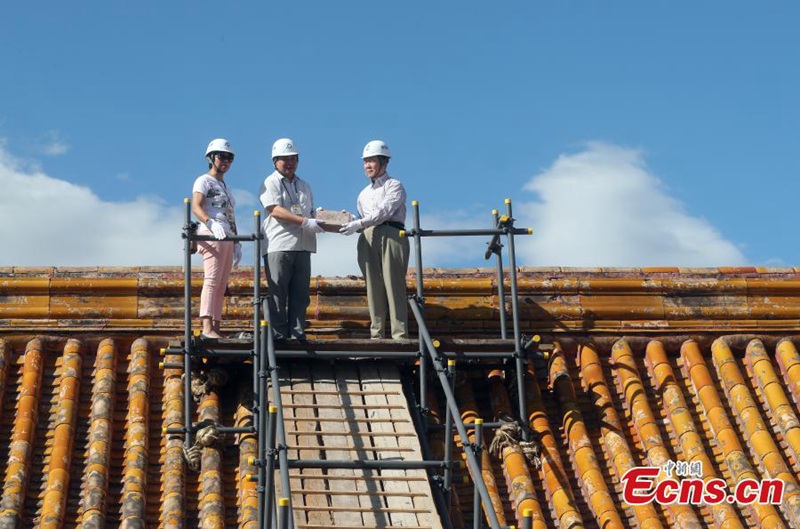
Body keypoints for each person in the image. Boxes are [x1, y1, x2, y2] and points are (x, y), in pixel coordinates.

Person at [340, 140, 410, 340]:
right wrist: (346, 220)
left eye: (372, 161)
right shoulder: (363, 194)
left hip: (391, 234)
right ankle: (377, 333)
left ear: (384, 162)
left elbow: (384, 212)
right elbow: (363, 220)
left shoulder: (394, 185)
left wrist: (359, 222)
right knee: (373, 285)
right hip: (368, 236)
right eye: (365, 162)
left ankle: (399, 334)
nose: (368, 166)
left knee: (394, 284)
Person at [259, 138, 324, 341]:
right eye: (284, 159)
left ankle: (297, 333)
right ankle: (278, 335)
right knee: (278, 292)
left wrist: (325, 218)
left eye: (292, 159)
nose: (289, 163)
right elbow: (275, 210)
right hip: (279, 244)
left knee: (300, 294)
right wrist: (306, 221)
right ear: (275, 161)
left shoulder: (304, 186)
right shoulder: (270, 183)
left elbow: (311, 212)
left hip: (303, 245)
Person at [191, 138, 242, 339]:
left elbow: (230, 214)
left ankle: (216, 326)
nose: (226, 161)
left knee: (222, 284)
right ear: (211, 158)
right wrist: (210, 223)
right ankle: (206, 326)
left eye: (230, 158)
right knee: (212, 280)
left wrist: (236, 241)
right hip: (212, 233)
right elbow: (196, 206)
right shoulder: (203, 180)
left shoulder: (226, 187)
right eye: (222, 156)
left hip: (227, 235)